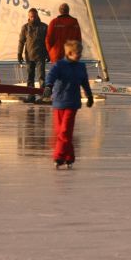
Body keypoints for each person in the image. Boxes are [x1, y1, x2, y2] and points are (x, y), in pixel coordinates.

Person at [44, 40, 93, 169]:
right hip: (59, 102)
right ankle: (69, 157)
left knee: (65, 131)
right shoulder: (59, 65)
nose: (80, 55)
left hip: (72, 102)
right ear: (70, 53)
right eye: (78, 53)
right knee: (62, 132)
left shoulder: (81, 66)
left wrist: (89, 96)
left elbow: (85, 82)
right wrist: (48, 86)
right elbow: (51, 76)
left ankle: (59, 156)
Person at [18, 8, 48, 103]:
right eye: (31, 16)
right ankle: (31, 96)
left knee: (41, 77)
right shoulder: (25, 27)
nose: (33, 18)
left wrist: (48, 54)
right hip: (29, 56)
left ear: (37, 15)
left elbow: (48, 42)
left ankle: (43, 96)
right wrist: (19, 53)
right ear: (28, 17)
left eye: (34, 16)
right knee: (30, 77)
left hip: (41, 56)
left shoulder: (44, 27)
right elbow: (21, 41)